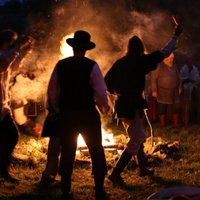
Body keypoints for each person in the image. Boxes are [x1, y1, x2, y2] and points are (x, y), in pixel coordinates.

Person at [104, 19, 183, 184]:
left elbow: (106, 83)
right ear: (140, 49)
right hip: (132, 106)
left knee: (137, 135)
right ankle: (116, 173)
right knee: (137, 138)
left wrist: (118, 93)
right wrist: (175, 36)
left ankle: (142, 167)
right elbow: (164, 52)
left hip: (123, 105)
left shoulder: (120, 62)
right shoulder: (140, 61)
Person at [47, 30, 111, 199]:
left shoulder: (61, 65)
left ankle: (65, 190)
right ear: (86, 49)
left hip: (67, 115)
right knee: (96, 150)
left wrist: (56, 108)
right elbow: (100, 92)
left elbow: (52, 91)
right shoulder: (92, 66)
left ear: (73, 48)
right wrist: (104, 108)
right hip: (88, 115)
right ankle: (99, 189)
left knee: (68, 151)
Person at [0, 29, 34, 182]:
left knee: (10, 136)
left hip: (2, 107)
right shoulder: (2, 57)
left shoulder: (5, 57)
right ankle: (3, 171)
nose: (11, 47)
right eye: (10, 43)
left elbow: (11, 68)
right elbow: (4, 63)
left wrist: (23, 54)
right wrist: (19, 46)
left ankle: (3, 170)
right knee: (11, 135)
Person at [151, 53, 182, 128]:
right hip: (162, 91)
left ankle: (175, 123)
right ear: (165, 58)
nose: (171, 60)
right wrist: (154, 90)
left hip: (174, 90)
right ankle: (162, 124)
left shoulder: (174, 65)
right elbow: (153, 78)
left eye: (172, 58)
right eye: (170, 58)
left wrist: (180, 87)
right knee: (162, 107)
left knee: (176, 107)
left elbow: (179, 77)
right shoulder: (159, 65)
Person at [180, 55, 200, 127]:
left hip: (193, 89)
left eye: (191, 60)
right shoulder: (183, 69)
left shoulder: (195, 69)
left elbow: (197, 78)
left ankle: (194, 120)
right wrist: (187, 79)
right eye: (189, 60)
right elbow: (181, 78)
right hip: (185, 89)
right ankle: (185, 121)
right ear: (186, 61)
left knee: (194, 104)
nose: (190, 62)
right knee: (186, 106)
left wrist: (193, 80)